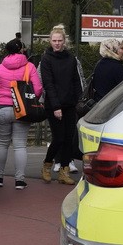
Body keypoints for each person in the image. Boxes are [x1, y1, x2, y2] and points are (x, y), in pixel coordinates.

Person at [0, 41, 42, 189]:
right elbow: (37, 90)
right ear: (22, 50)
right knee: (19, 146)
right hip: (22, 110)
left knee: (1, 144)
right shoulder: (29, 67)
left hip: (2, 109)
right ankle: (19, 180)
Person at [38, 24, 81, 185]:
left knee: (69, 138)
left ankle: (64, 171)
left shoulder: (71, 59)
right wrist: (56, 107)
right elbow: (48, 84)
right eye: (54, 40)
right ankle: (47, 164)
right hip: (53, 105)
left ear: (64, 41)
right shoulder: (46, 59)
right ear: (50, 41)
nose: (57, 43)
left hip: (70, 104)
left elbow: (76, 81)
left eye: (59, 40)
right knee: (59, 138)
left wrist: (79, 101)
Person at [91, 38, 123, 102]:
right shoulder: (118, 68)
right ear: (112, 50)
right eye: (122, 48)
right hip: (113, 106)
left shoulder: (100, 64)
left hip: (98, 106)